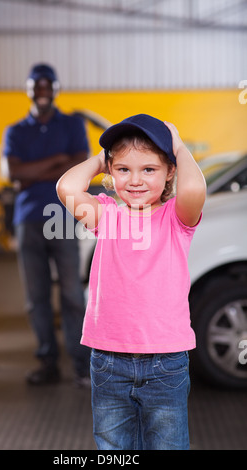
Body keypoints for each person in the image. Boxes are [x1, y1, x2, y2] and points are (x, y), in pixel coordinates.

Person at [56, 113, 207, 449]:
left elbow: (195, 187)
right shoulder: (106, 215)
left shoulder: (176, 219)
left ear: (170, 171)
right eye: (124, 169)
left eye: (148, 169)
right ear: (112, 172)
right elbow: (66, 188)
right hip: (109, 360)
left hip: (166, 362)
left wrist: (178, 147)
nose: (135, 180)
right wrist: (100, 159)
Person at [2, 63, 91, 387]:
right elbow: (13, 174)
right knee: (36, 297)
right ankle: (48, 363)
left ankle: (82, 366)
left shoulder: (71, 124)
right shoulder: (15, 131)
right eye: (36, 86)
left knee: (71, 294)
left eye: (47, 86)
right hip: (28, 221)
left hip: (64, 218)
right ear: (29, 90)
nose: (42, 92)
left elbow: (81, 164)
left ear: (55, 89)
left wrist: (31, 173)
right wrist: (57, 161)